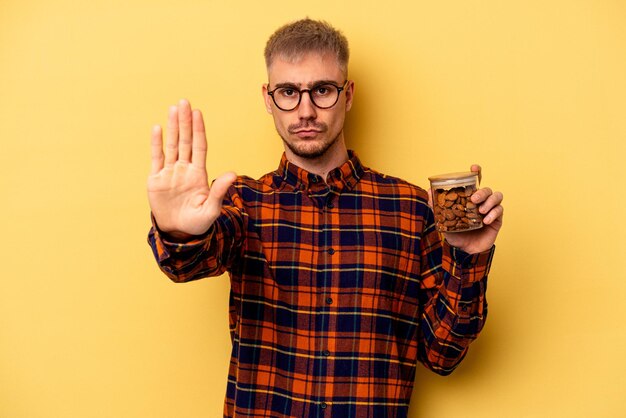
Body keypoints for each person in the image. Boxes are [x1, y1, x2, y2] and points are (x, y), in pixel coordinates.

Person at [147, 18, 503, 418]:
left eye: (322, 90)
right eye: (288, 92)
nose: (306, 111)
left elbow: (443, 355)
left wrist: (470, 258)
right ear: (268, 98)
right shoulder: (242, 203)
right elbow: (189, 262)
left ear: (347, 94)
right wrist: (178, 231)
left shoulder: (411, 209)